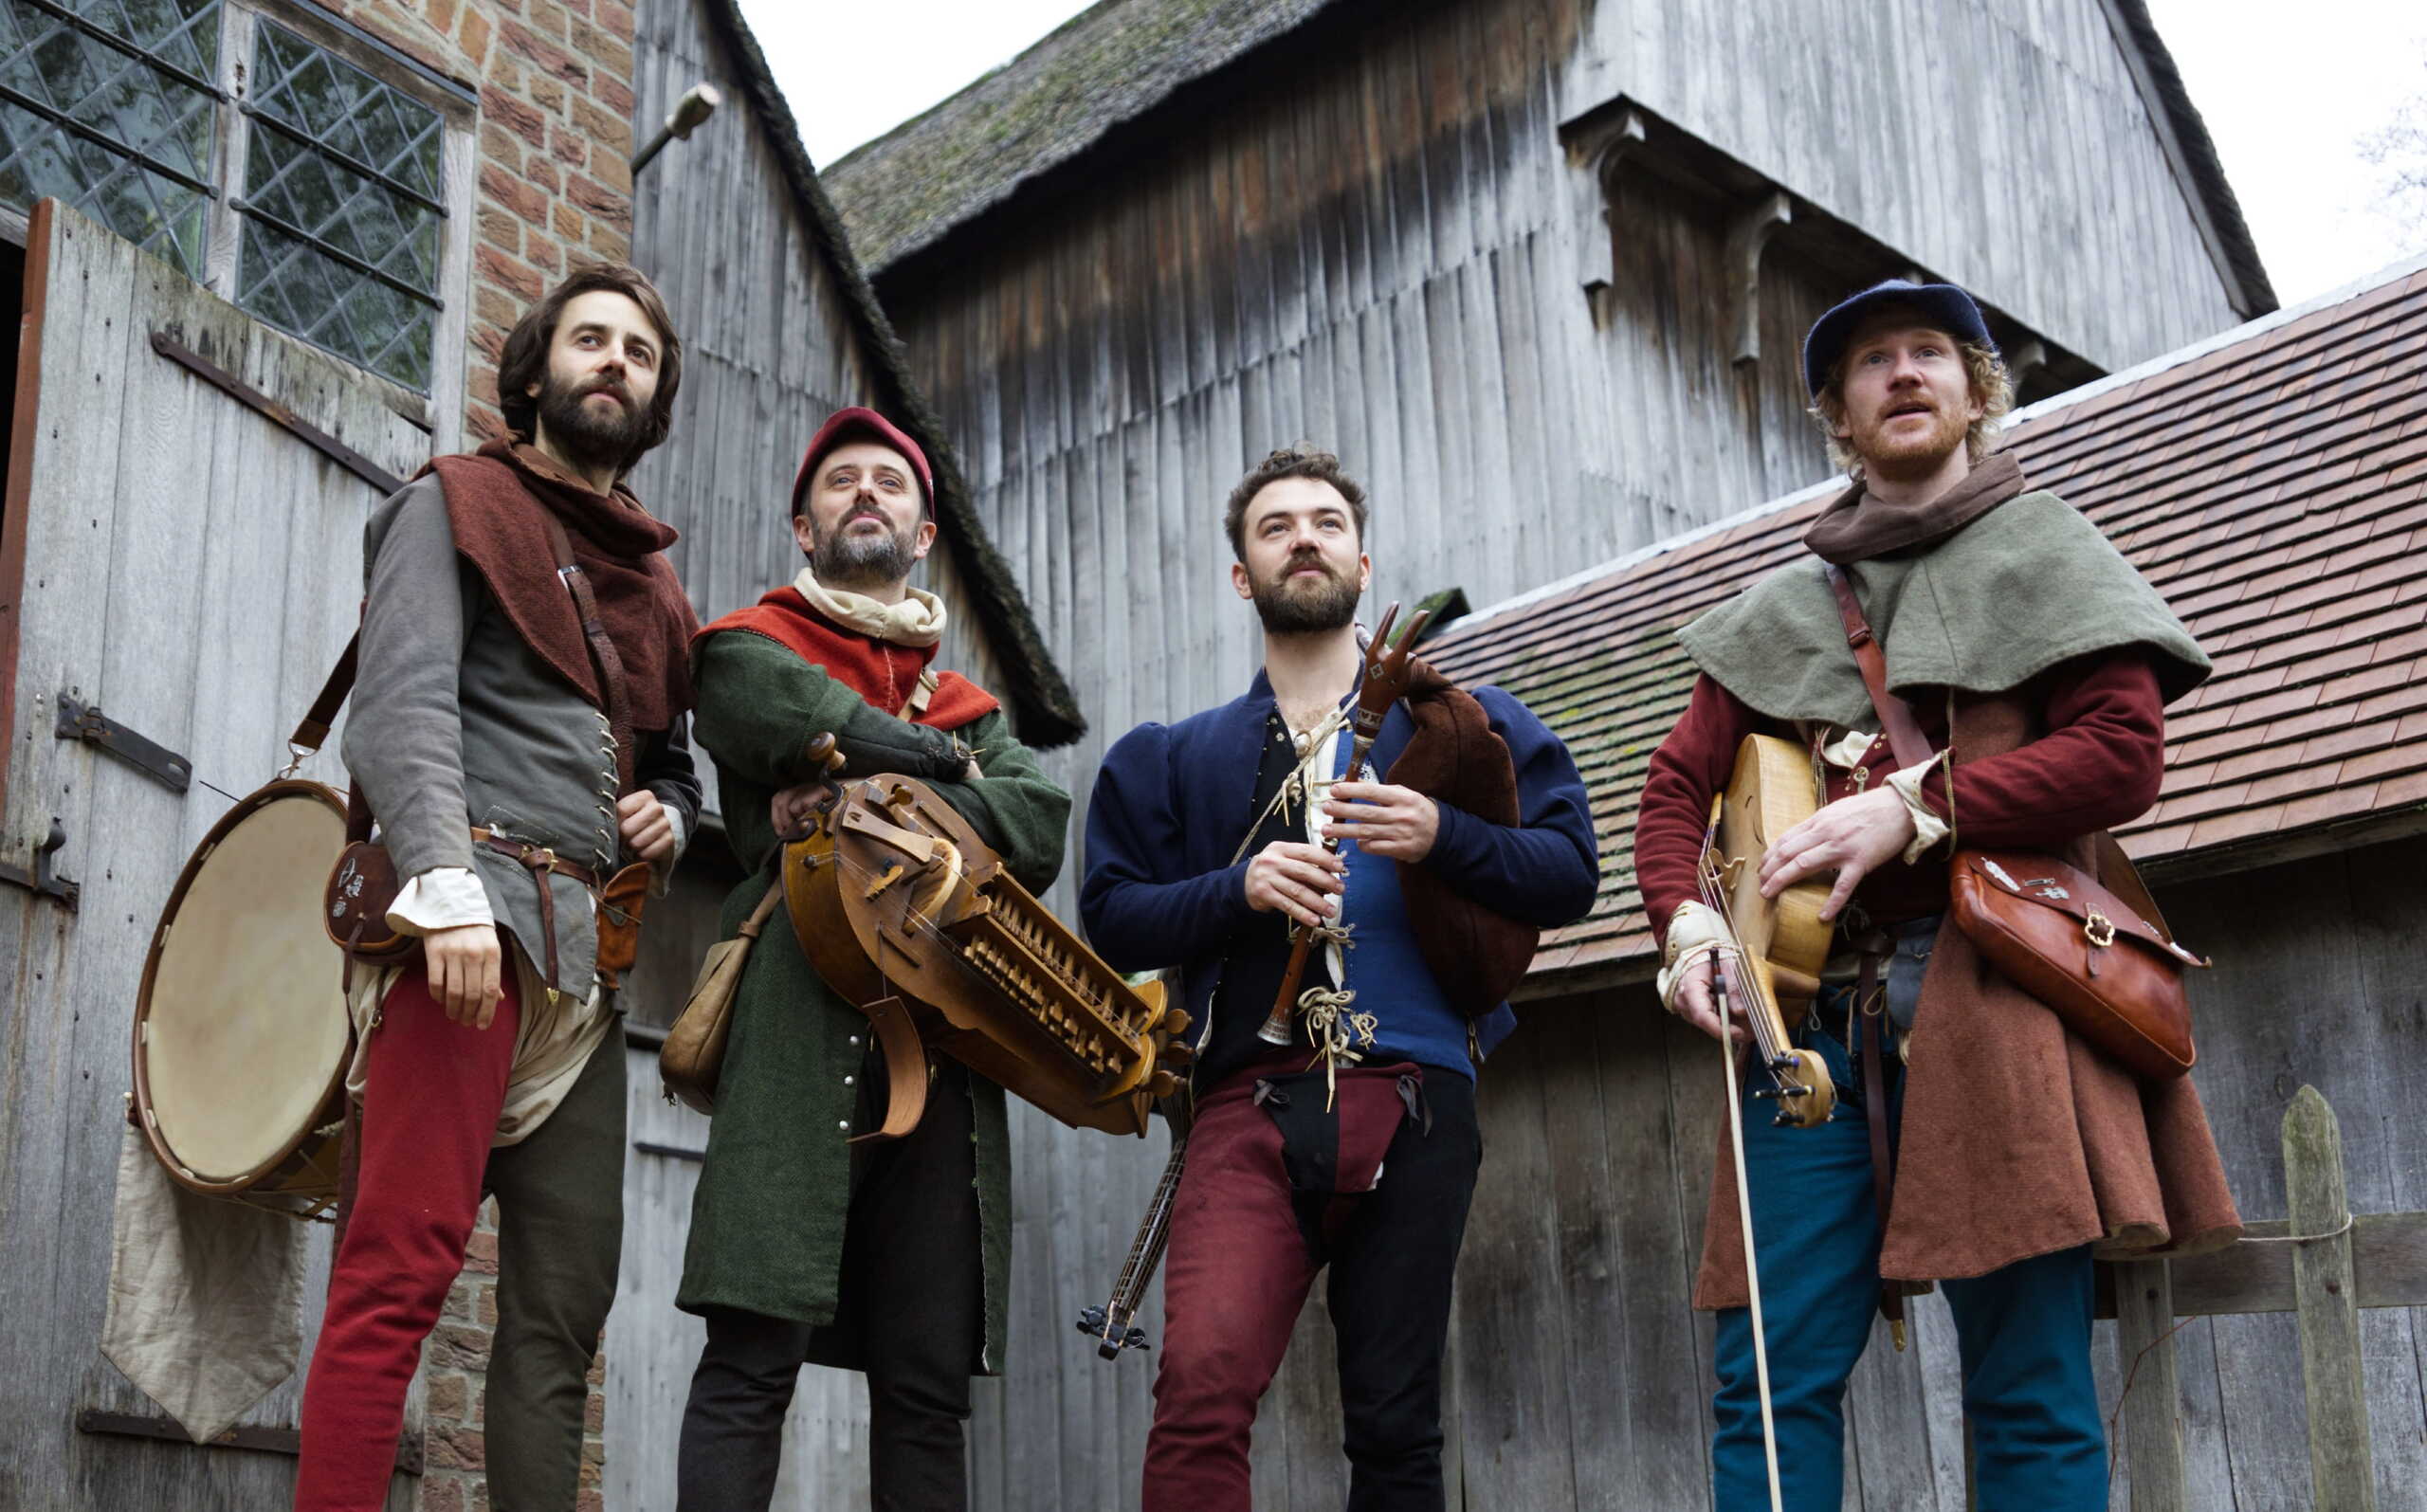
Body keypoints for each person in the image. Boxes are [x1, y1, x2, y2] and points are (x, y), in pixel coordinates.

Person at [1632, 280, 2241, 1511]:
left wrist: (1917, 806)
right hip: (1803, 1026)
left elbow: (2122, 753)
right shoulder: (1777, 612)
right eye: (1871, 361)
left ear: (1976, 392)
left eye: (1929, 352)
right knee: (1766, 1384)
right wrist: (1687, 926)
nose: (1902, 372)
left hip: (1995, 1002)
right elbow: (1674, 791)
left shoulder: (2050, 549)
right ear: (1838, 413)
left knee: (2028, 1386)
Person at [1081, 445, 1598, 1511]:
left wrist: (1444, 833)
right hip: (1244, 1107)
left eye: (1326, 522)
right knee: (1198, 1394)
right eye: (1275, 527)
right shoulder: (1172, 756)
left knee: (1396, 1425)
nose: (1304, 538)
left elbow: (1570, 871)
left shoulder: (1471, 724)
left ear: (1364, 563)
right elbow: (1112, 914)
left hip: (1420, 1097)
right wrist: (1238, 887)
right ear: (1243, 576)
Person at [297, 263, 704, 1509]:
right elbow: (399, 709)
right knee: (392, 1281)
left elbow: (672, 761)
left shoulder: (658, 584)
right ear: (534, 373)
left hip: (587, 983)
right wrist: (446, 888)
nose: (615, 360)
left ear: (654, 401)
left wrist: (675, 815)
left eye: (639, 351)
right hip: (466, 938)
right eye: (591, 339)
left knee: (562, 1318)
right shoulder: (453, 502)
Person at [673, 407, 1071, 1512]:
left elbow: (1038, 822)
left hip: (946, 1056)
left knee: (926, 1387)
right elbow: (782, 710)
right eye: (841, 480)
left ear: (923, 532)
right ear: (804, 528)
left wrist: (865, 785)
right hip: (793, 1025)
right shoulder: (749, 646)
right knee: (750, 1359)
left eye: (890, 483)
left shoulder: (972, 703)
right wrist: (948, 771)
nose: (866, 493)